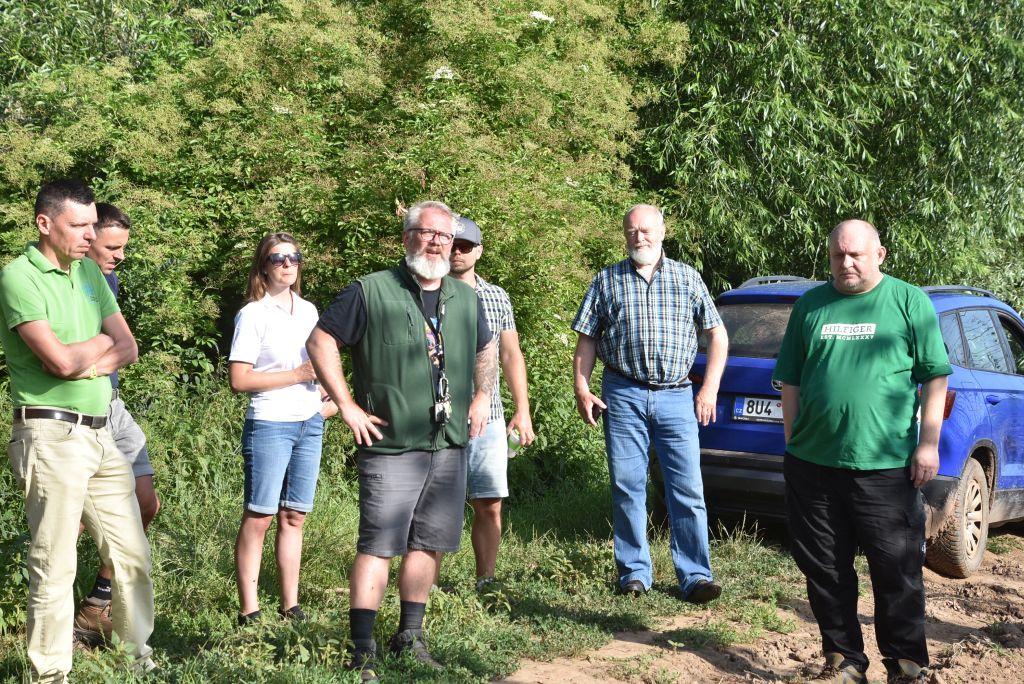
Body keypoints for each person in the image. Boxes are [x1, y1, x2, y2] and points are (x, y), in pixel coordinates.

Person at [307, 200, 494, 681]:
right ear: (408, 236)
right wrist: (347, 405)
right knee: (378, 546)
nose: (436, 243)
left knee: (428, 544)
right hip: (390, 444)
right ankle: (362, 649)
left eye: (444, 236)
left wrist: (482, 397)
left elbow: (486, 347)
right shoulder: (371, 290)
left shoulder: (465, 297)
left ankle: (410, 637)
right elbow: (321, 341)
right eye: (427, 233)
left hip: (448, 443)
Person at [773, 220, 950, 684]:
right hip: (813, 467)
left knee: (897, 571)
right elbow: (791, 380)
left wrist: (928, 443)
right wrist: (793, 443)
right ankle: (844, 662)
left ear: (880, 254)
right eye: (838, 255)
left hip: (886, 468)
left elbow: (935, 376)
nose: (846, 263)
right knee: (825, 571)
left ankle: (907, 666)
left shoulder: (908, 301)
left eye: (856, 254)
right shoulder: (810, 306)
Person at [0, 179, 155, 682]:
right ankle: (51, 675)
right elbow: (59, 361)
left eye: (93, 225)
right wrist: (93, 350)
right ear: (44, 223)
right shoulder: (19, 278)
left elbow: (127, 347)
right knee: (55, 562)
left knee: (132, 553)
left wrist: (83, 360)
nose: (91, 235)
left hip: (101, 432)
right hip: (50, 435)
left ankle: (136, 661)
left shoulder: (89, 271)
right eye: (80, 225)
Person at [571, 204, 728, 603]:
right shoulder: (606, 280)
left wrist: (709, 389)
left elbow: (717, 335)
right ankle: (634, 573)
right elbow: (587, 339)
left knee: (687, 488)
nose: (638, 237)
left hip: (677, 395)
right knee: (627, 486)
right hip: (622, 394)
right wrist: (582, 388)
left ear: (662, 232)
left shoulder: (687, 277)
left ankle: (695, 576)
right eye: (631, 231)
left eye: (645, 230)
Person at [228, 232, 336, 625]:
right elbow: (239, 379)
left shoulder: (309, 310)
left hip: (309, 424)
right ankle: (249, 610)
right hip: (270, 423)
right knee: (260, 515)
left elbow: (321, 365)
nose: (288, 264)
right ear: (264, 266)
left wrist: (328, 399)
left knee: (295, 516)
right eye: (278, 258)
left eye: (294, 257)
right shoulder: (253, 314)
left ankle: (291, 605)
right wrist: (297, 376)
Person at [72, 203, 162, 647]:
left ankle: (97, 604)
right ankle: (55, 617)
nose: (120, 256)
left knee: (145, 503)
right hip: (75, 407)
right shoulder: (65, 281)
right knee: (70, 518)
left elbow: (125, 346)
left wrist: (106, 351)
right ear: (87, 238)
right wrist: (103, 352)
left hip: (112, 403)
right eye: (112, 247)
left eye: (123, 247)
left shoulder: (107, 279)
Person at [448, 216, 535, 591]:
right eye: (451, 244)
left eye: (465, 246)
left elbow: (511, 354)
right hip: (438, 414)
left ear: (479, 251)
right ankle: (426, 585)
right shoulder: (425, 290)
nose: (457, 252)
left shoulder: (497, 295)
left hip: (490, 416)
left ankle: (486, 581)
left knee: (489, 501)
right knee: (435, 503)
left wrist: (522, 410)